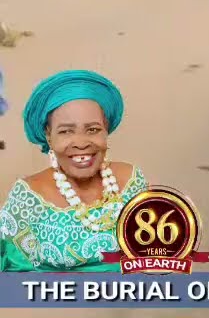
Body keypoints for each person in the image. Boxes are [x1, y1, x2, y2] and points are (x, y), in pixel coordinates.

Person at [0, 70, 146, 271]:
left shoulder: (131, 182)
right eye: (66, 131)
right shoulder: (28, 197)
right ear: (48, 136)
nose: (81, 143)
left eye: (93, 129)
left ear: (106, 130)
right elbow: (12, 282)